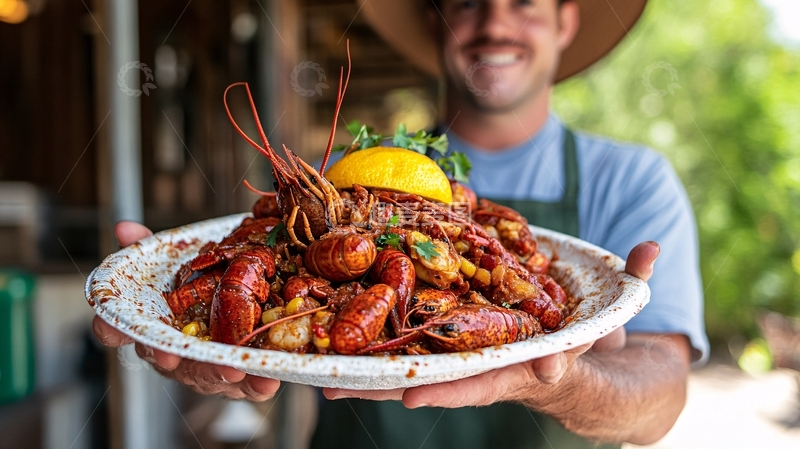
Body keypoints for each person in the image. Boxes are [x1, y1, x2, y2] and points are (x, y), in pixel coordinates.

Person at [93, 0, 708, 447]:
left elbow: (659, 404)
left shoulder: (631, 182)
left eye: (523, 1)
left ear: (566, 19)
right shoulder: (338, 181)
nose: (495, 22)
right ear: (437, 20)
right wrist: (189, 329)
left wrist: (556, 383)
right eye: (468, 2)